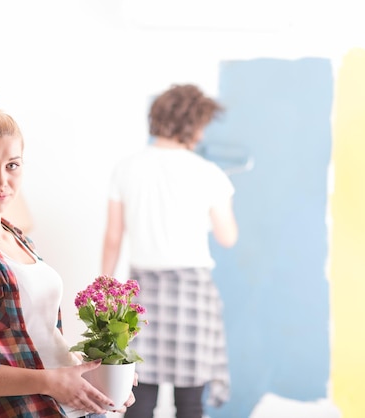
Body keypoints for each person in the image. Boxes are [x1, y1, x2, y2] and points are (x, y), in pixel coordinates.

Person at [0, 81, 134, 417]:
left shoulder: (23, 241)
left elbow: (45, 340)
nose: (0, 181)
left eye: (12, 165)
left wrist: (101, 379)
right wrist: (50, 383)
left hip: (69, 408)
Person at [101, 84, 238, 418]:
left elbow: (113, 238)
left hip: (142, 293)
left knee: (138, 393)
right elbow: (227, 236)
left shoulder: (126, 167)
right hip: (192, 294)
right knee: (190, 401)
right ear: (194, 124)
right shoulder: (209, 173)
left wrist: (105, 293)